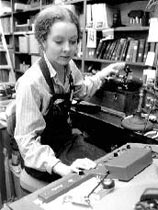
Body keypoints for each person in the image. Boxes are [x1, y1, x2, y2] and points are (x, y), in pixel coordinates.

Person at [10, 5, 125, 183]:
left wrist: (105, 73)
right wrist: (62, 169)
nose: (68, 49)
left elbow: (83, 91)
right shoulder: (31, 83)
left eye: (73, 41)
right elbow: (27, 143)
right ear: (42, 41)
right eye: (59, 41)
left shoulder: (68, 67)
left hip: (67, 142)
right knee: (95, 180)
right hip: (43, 159)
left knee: (111, 164)